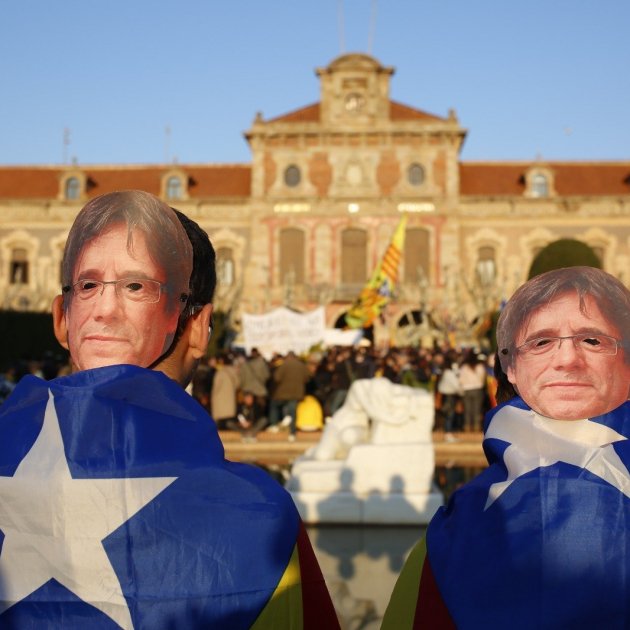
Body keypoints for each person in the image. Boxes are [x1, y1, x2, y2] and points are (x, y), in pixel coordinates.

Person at [0, 191, 338, 629]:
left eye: (136, 286)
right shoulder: (265, 523)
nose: (107, 307)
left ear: (60, 320)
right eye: (90, 285)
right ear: (201, 328)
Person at [383, 266, 630, 628]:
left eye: (592, 340)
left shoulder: (450, 534)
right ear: (510, 366)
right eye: (541, 342)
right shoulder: (451, 531)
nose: (567, 359)